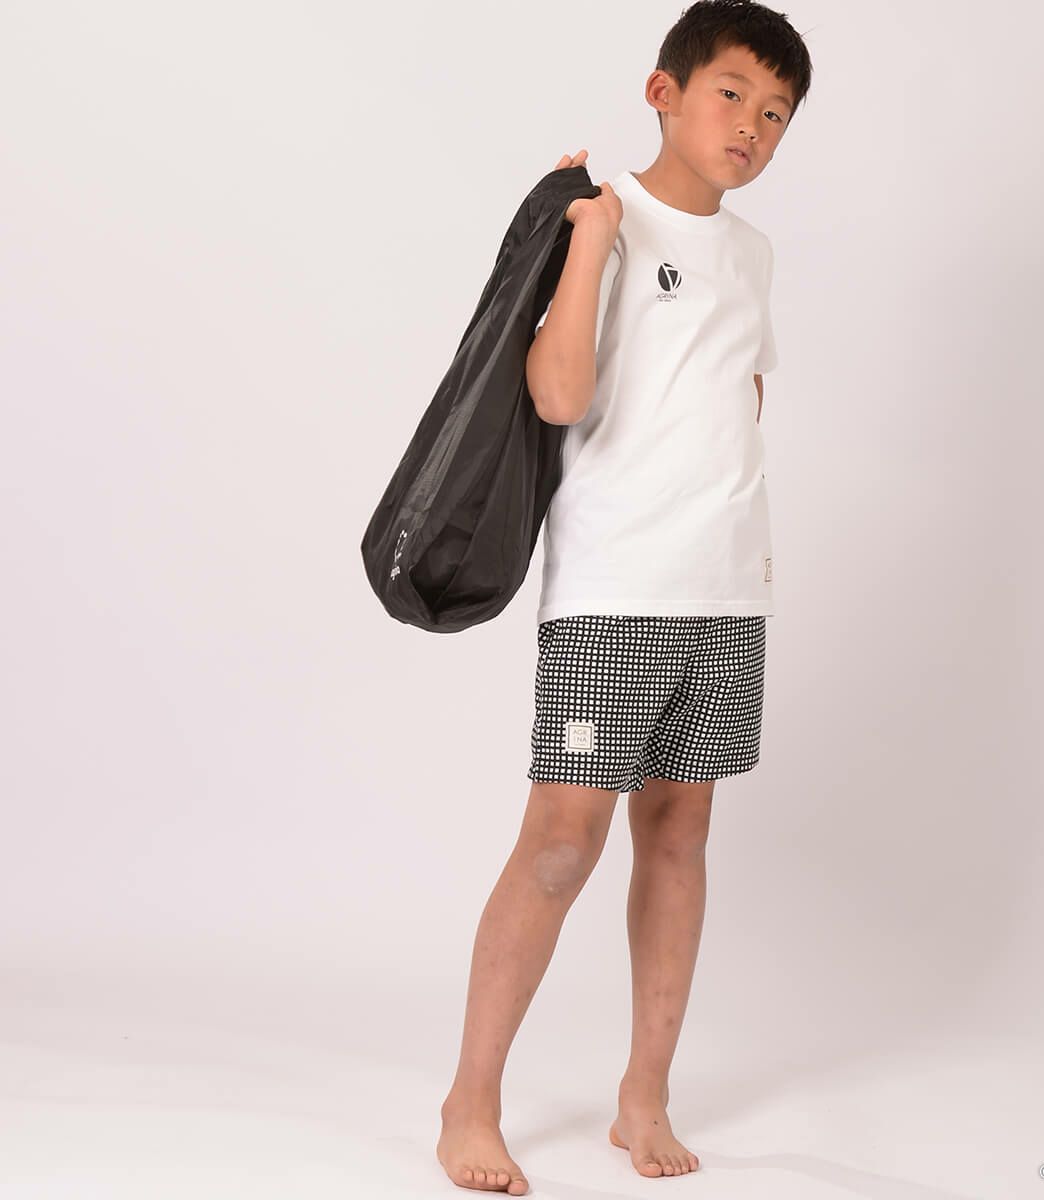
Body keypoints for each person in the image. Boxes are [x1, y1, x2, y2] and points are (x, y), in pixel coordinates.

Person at [437, 2, 812, 1191]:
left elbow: (741, 396)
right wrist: (592, 241)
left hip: (727, 587)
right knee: (561, 842)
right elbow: (557, 396)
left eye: (776, 113)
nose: (751, 125)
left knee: (681, 831)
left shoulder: (752, 255)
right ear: (665, 92)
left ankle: (643, 1095)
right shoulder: (599, 215)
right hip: (613, 585)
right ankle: (469, 1103)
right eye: (732, 94)